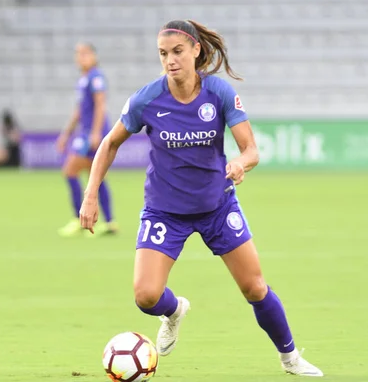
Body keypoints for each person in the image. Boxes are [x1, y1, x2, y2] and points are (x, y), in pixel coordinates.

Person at [79, 20, 323, 377]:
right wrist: (90, 194)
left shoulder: (219, 94)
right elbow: (110, 143)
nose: (170, 60)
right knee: (146, 296)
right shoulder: (147, 98)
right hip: (165, 211)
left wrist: (240, 163)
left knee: (255, 287)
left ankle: (290, 358)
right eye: (163, 54)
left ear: (195, 51)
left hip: (217, 207)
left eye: (177, 52)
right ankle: (174, 310)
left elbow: (251, 149)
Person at [56, 43, 116, 237]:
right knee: (96, 176)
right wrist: (66, 134)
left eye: (85, 54)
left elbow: (100, 105)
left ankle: (78, 219)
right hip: (85, 133)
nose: (80, 57)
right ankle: (109, 222)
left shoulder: (96, 77)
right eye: (78, 54)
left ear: (94, 56)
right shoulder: (84, 79)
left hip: (91, 134)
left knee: (70, 171)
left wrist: (96, 133)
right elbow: (79, 111)